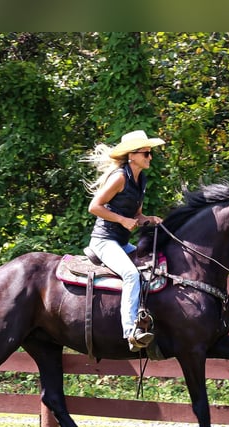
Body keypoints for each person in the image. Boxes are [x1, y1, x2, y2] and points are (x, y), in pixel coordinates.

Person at [85, 129, 165, 352]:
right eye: (146, 153)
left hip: (120, 242)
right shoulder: (119, 177)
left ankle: (146, 320)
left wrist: (148, 219)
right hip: (104, 241)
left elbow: (137, 215)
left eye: (150, 153)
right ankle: (130, 332)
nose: (150, 157)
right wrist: (121, 220)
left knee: (152, 269)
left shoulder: (141, 179)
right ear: (132, 155)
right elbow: (94, 207)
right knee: (131, 274)